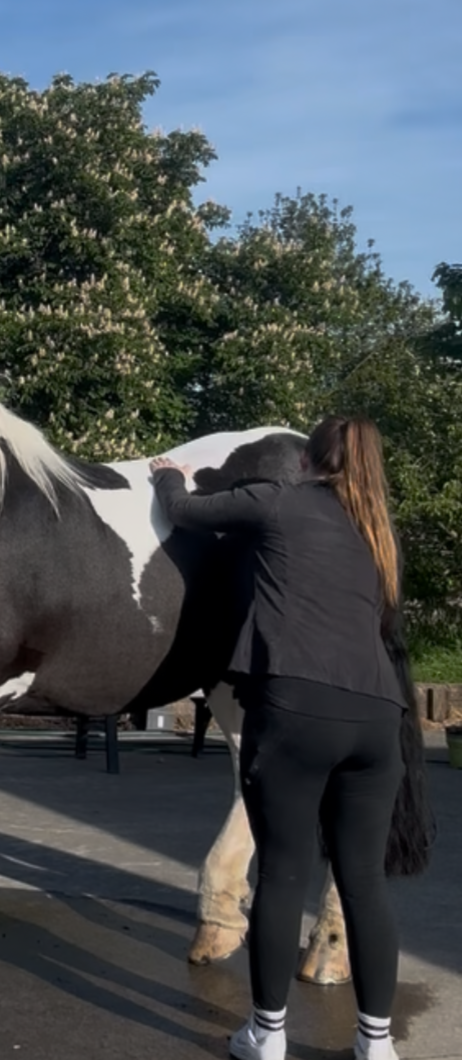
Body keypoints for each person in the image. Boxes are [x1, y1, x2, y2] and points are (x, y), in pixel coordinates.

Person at [149, 416, 433, 1060]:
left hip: (295, 711)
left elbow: (187, 513)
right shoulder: (378, 530)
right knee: (364, 883)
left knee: (281, 873)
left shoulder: (279, 500)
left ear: (308, 458)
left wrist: (168, 475)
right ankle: (376, 1043)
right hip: (377, 720)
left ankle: (268, 1034)